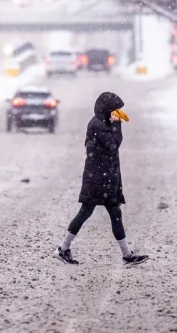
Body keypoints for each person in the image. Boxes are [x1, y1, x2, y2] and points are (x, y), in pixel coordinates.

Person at [54, 92, 148, 266]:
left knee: (108, 213)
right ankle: (63, 248)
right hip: (99, 179)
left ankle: (125, 254)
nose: (118, 112)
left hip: (104, 178)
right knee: (90, 212)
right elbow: (114, 145)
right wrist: (117, 124)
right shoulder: (98, 125)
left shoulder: (101, 122)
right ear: (107, 109)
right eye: (115, 109)